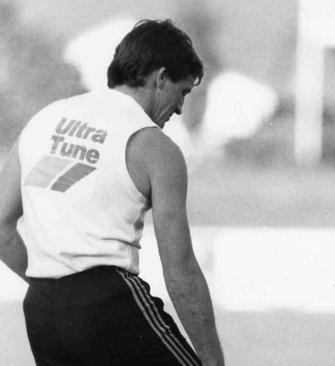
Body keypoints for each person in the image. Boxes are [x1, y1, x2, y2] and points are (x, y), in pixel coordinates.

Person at [0, 19, 224, 365]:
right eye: (183, 92)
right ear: (160, 77)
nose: (180, 108)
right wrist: (213, 361)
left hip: (42, 310)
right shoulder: (154, 146)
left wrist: (55, 292)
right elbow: (180, 270)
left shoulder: (44, 119)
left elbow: (1, 227)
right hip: (107, 305)